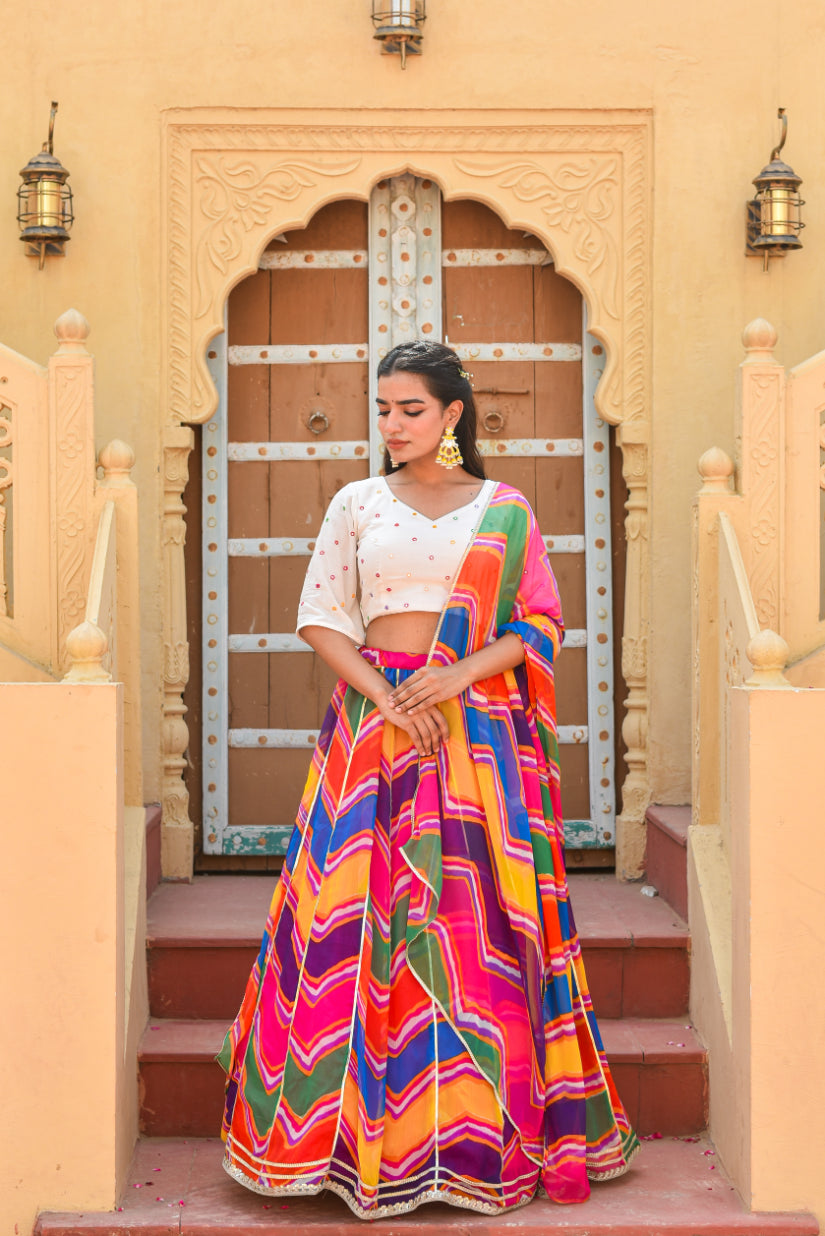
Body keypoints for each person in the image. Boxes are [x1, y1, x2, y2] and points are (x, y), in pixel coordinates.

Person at [218, 340, 639, 1219]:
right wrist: (387, 696)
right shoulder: (357, 502)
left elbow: (538, 625)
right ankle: (344, 1145)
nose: (392, 425)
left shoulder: (503, 509)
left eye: (410, 410)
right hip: (374, 733)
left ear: (452, 416)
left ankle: (485, 1138)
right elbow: (319, 617)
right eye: (382, 409)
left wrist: (455, 676)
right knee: (356, 924)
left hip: (475, 736)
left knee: (471, 922)